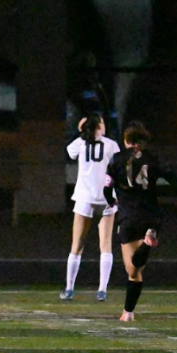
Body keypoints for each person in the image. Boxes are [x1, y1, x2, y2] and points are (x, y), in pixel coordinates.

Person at [102, 121, 177, 322]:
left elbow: (106, 188)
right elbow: (176, 184)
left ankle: (128, 312)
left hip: (128, 216)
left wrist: (112, 202)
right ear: (142, 142)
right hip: (151, 216)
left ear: (126, 141)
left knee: (132, 270)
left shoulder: (117, 159)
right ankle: (128, 312)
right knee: (136, 270)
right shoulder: (154, 159)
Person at [61, 114, 121, 302]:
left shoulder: (80, 143)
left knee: (77, 245)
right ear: (99, 127)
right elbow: (117, 167)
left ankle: (70, 288)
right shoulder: (111, 145)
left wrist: (80, 132)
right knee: (105, 246)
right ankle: (102, 290)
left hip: (84, 198)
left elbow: (69, 151)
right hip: (106, 198)